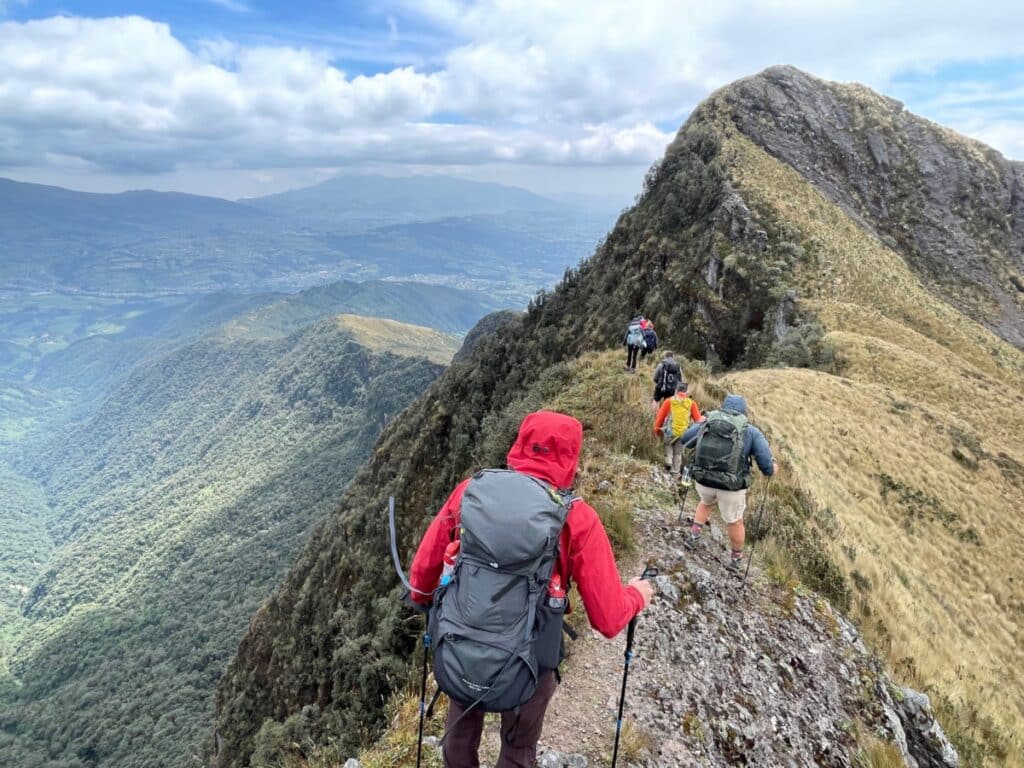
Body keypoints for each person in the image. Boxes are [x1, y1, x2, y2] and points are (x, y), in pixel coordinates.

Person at [408, 411, 654, 768]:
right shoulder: (578, 518)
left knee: (459, 736)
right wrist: (637, 595)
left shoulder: (470, 492)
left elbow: (421, 574)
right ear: (572, 457)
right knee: (518, 749)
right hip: (531, 657)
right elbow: (608, 618)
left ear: (520, 444)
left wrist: (423, 599)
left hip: (463, 640)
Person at [678, 394, 776, 573]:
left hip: (703, 480)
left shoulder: (708, 421)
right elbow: (766, 466)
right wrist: (772, 468)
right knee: (735, 521)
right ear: (743, 412)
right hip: (731, 487)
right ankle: (736, 560)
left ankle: (693, 537)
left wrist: (701, 423)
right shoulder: (751, 431)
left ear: (722, 407)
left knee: (705, 502)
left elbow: (685, 440)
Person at [653, 381, 704, 475]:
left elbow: (660, 418)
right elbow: (698, 420)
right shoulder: (691, 403)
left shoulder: (669, 401)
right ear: (686, 392)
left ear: (676, 390)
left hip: (670, 432)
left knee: (668, 446)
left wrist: (657, 430)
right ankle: (675, 473)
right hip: (684, 433)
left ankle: (668, 461)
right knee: (678, 454)